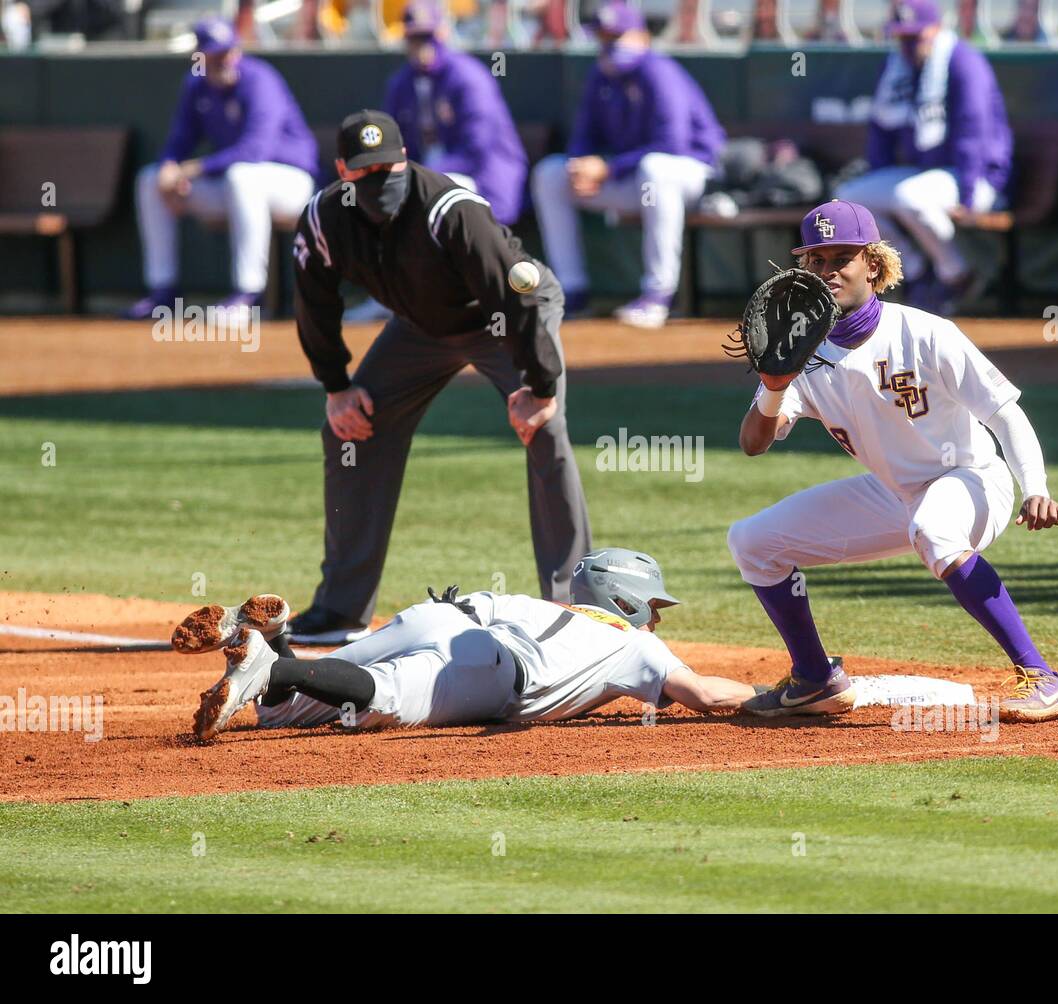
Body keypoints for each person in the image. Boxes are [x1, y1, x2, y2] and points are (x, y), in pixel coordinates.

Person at [727, 200, 1058, 723]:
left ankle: (1042, 677)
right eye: (815, 260)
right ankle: (816, 678)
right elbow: (755, 442)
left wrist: (1036, 486)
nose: (827, 271)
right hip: (893, 492)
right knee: (752, 541)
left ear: (873, 263)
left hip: (973, 479)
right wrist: (774, 387)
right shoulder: (800, 351)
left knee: (935, 527)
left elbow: (1004, 413)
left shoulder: (925, 332)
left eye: (841, 257)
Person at [287, 109, 591, 645]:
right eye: (364, 172)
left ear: (404, 159)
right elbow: (315, 304)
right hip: (423, 329)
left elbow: (513, 293)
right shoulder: (324, 220)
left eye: (386, 168)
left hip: (506, 317)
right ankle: (341, 609)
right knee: (351, 428)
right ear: (341, 170)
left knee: (544, 430)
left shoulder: (452, 210)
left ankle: (573, 609)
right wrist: (337, 385)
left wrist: (540, 388)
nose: (378, 181)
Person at [178, 549, 758, 740]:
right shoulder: (635, 644)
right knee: (380, 698)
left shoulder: (541, 607)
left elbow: (464, 606)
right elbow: (703, 695)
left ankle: (275, 642)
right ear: (626, 602)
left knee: (283, 717)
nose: (656, 619)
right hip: (490, 669)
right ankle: (267, 667)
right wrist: (767, 692)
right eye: (653, 606)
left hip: (440, 617)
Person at [530, 0, 725, 328]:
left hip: (691, 177)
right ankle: (571, 292)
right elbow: (584, 134)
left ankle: (659, 294)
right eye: (603, 36)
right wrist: (581, 167)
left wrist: (607, 169)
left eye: (616, 35)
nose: (608, 44)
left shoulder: (660, 72)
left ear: (641, 36)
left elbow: (672, 144)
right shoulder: (601, 76)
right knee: (551, 174)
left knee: (656, 169)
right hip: (635, 178)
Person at [123, 18, 318, 319]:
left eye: (229, 51)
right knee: (150, 180)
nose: (225, 60)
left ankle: (247, 295)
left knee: (243, 177)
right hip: (234, 187)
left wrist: (192, 170)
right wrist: (169, 170)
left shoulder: (260, 79)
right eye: (215, 55)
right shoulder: (196, 85)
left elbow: (255, 151)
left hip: (292, 184)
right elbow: (179, 141)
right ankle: (163, 293)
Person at [833, 0, 1011, 313]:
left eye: (916, 36)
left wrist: (968, 198)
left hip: (978, 177)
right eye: (903, 37)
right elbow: (880, 132)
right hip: (926, 175)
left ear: (936, 29)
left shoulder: (963, 62)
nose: (908, 44)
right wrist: (878, 178)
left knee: (908, 197)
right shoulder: (897, 67)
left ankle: (957, 275)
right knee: (851, 202)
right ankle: (913, 271)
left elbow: (973, 134)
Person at [383, 3, 527, 225]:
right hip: (427, 173)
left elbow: (476, 150)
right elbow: (392, 143)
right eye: (415, 38)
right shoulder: (401, 83)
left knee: (430, 190)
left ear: (443, 33)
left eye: (427, 36)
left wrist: (421, 174)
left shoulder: (468, 77)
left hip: (482, 178)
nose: (422, 45)